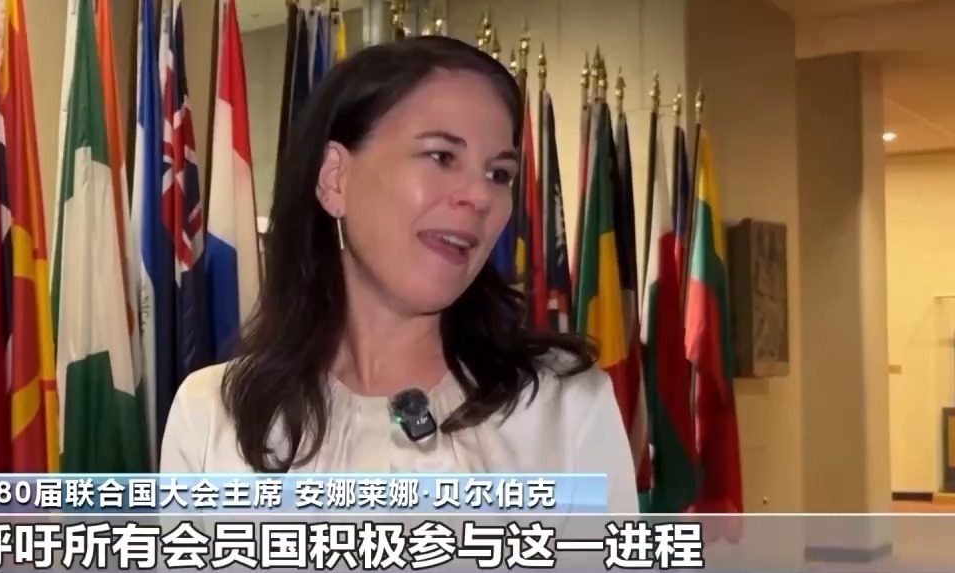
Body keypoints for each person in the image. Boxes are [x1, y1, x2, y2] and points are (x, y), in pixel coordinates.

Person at [161, 35, 637, 514]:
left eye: (498, 174)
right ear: (335, 179)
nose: (480, 196)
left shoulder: (564, 408)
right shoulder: (213, 414)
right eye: (441, 156)